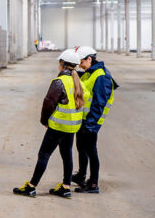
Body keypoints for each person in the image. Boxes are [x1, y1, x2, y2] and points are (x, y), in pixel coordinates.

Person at [13, 49, 86, 199]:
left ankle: (31, 187)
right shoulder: (79, 82)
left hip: (58, 126)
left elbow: (48, 103)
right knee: (67, 155)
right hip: (72, 127)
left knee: (44, 154)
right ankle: (66, 187)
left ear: (62, 65)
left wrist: (44, 121)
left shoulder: (60, 82)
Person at [73, 46, 117, 194]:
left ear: (89, 59)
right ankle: (81, 176)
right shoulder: (89, 73)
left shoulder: (101, 76)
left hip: (91, 121)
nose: (79, 64)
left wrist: (90, 125)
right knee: (81, 148)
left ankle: (93, 184)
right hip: (83, 119)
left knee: (91, 150)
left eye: (81, 61)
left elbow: (99, 103)